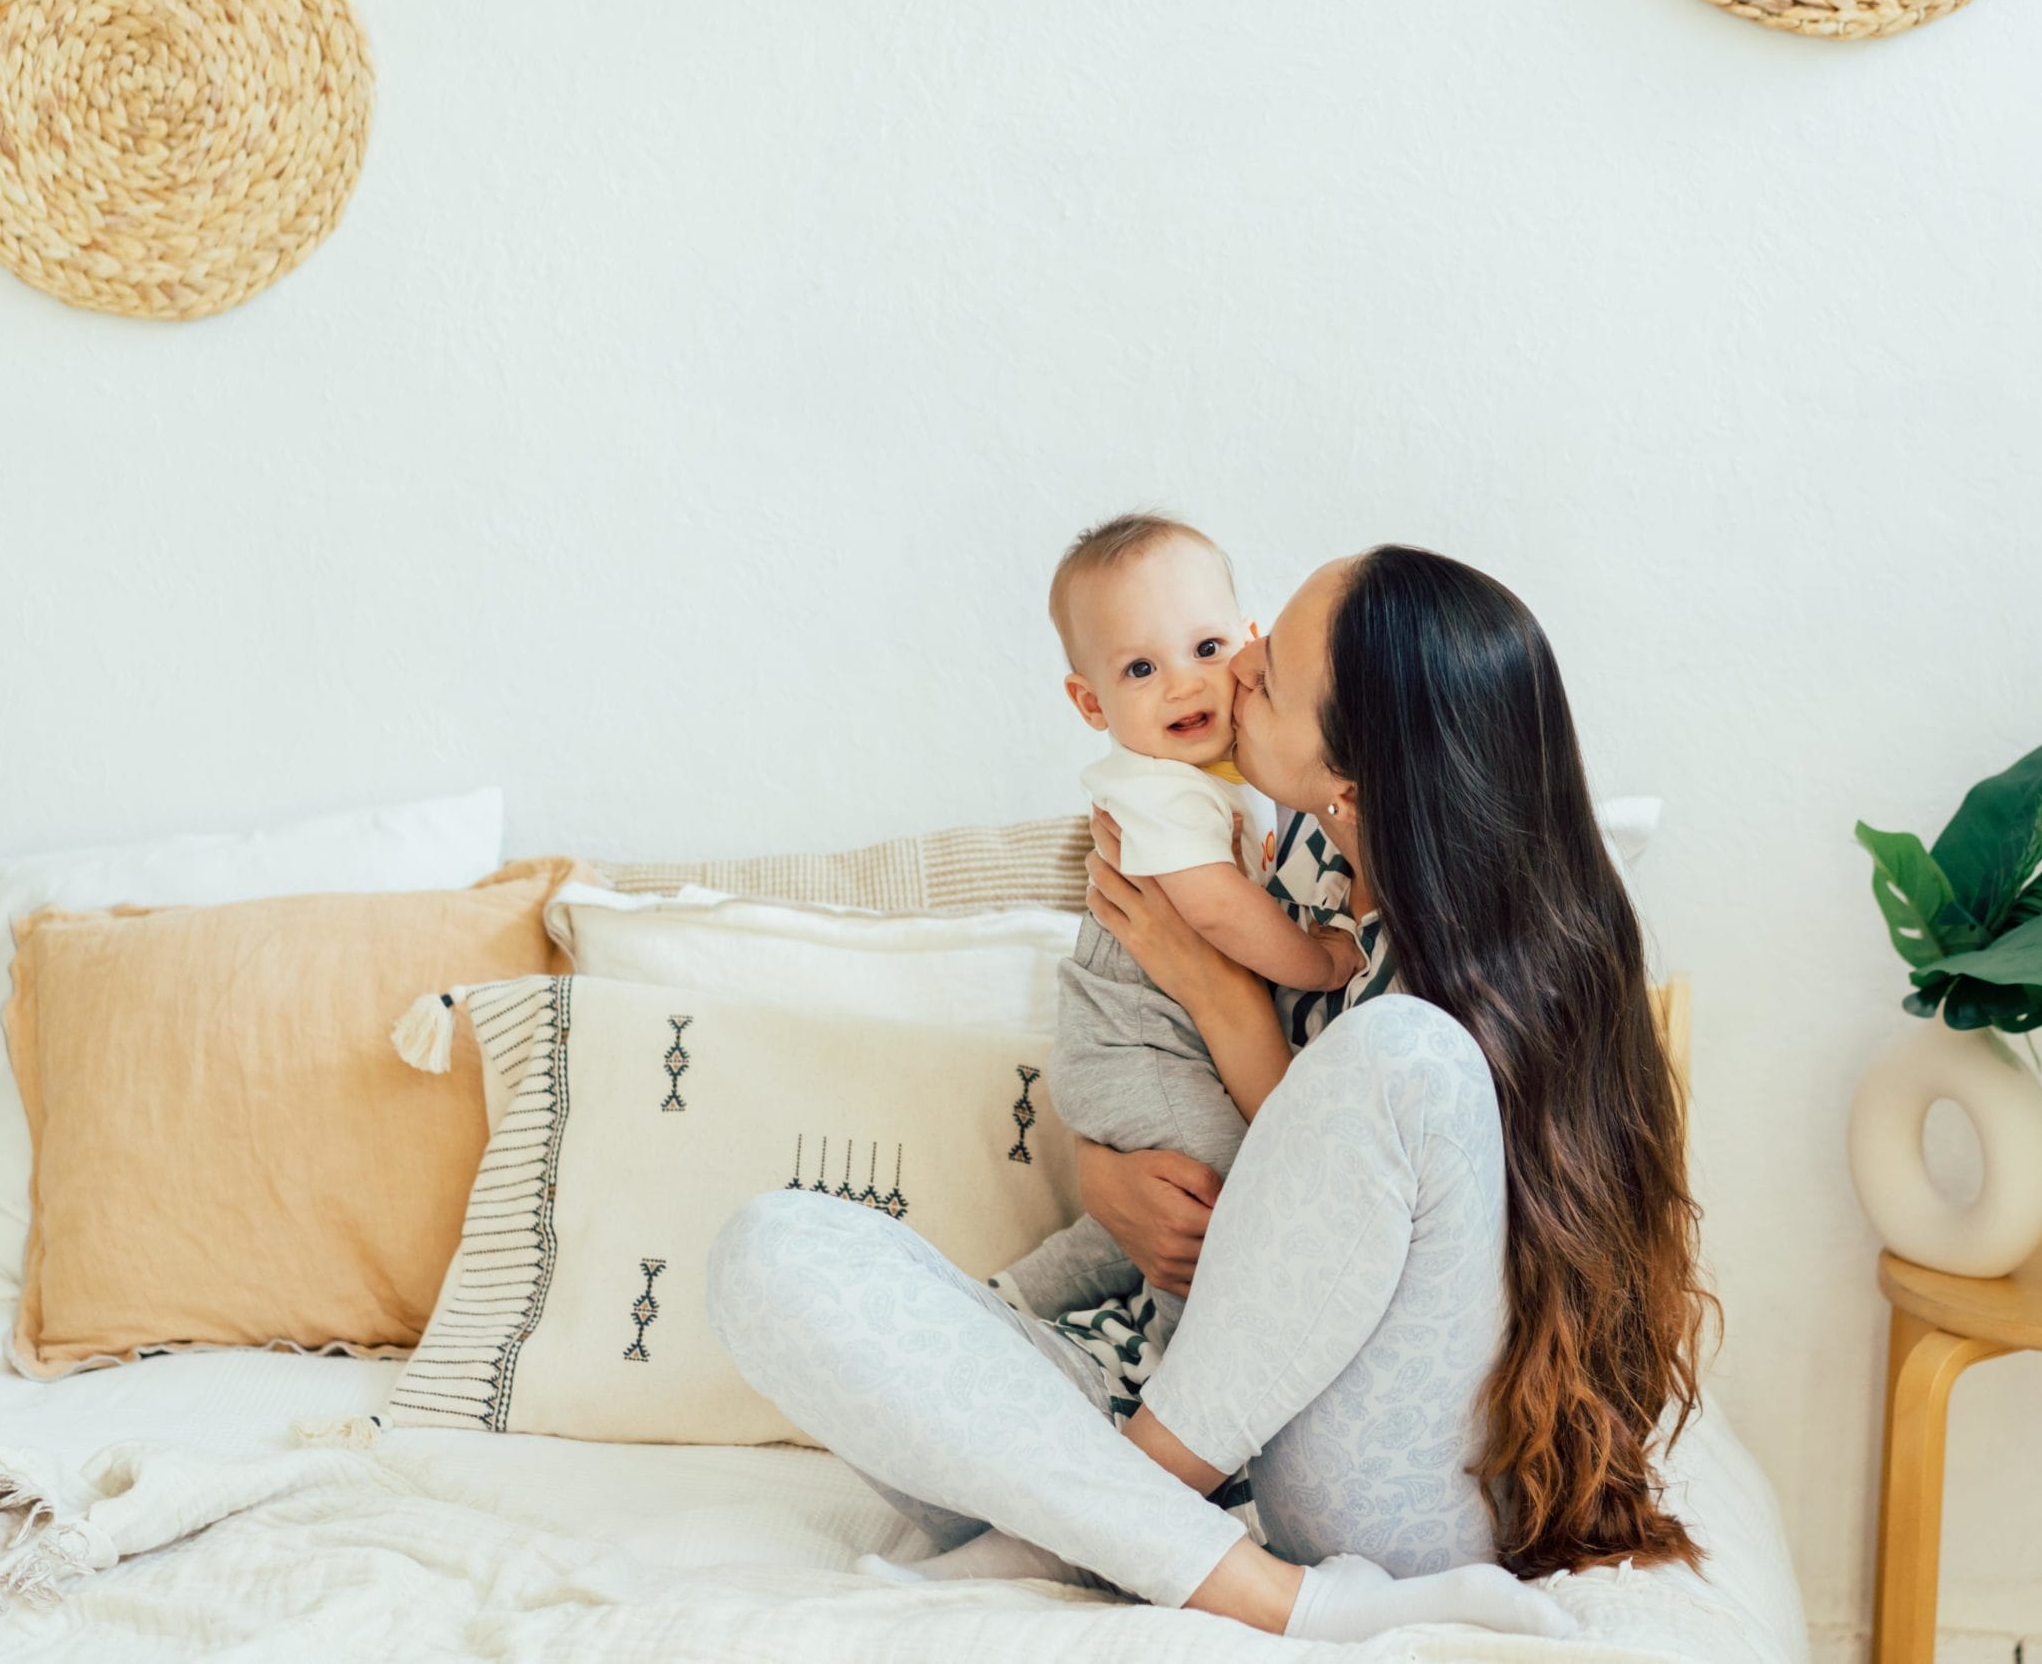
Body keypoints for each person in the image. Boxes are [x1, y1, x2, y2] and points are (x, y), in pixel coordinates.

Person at [709, 546, 1710, 1642]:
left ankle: (1106, 1526)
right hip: (1160, 1376)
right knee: (770, 1251)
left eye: (1265, 671)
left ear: (1358, 775)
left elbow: (1350, 1208)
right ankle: (1180, 1552)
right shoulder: (1273, 870)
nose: (1231, 674)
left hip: (1371, 1473)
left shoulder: (1506, 961)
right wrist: (1109, 1174)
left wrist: (1223, 999)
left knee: (1403, 1057)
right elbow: (1171, 1104)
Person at [995, 513, 1361, 1354]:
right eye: (1139, 668)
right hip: (1137, 1039)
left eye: (1206, 649)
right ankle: (1178, 1360)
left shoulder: (1242, 778)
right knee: (1221, 1179)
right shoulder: (1157, 788)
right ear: (1092, 702)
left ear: (1249, 644)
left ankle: (1020, 1294)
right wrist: (1317, 961)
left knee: (1171, 1190)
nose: (1185, 686)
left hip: (1170, 1036)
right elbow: (1217, 909)